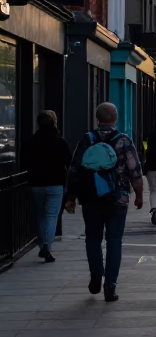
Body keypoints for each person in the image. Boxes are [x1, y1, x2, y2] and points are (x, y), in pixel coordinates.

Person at [64, 102, 144, 302]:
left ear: (97, 118)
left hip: (91, 197)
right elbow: (135, 169)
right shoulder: (123, 140)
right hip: (117, 198)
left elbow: (74, 169)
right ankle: (110, 286)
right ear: (115, 118)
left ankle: (95, 276)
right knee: (114, 241)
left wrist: (71, 196)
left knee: (92, 239)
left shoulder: (87, 139)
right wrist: (139, 194)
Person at [21, 110, 72, 263]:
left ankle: (43, 243)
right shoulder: (60, 142)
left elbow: (24, 161)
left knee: (40, 215)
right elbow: (69, 162)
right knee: (51, 216)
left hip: (36, 183)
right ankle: (47, 247)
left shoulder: (31, 141)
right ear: (54, 122)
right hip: (55, 184)